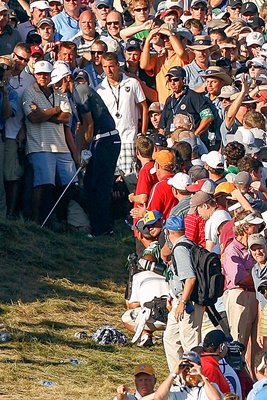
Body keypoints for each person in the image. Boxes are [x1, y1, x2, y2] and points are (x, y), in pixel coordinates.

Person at [22, 60, 76, 226]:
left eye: (45, 74)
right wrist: (55, 110)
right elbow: (33, 117)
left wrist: (43, 113)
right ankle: (38, 222)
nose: (42, 77)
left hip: (61, 145)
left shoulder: (60, 93)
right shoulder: (29, 92)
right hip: (40, 145)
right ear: (34, 75)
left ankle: (60, 219)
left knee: (70, 183)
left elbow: (67, 117)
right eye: (39, 74)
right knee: (44, 184)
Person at [73, 64, 121, 237]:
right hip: (103, 140)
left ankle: (103, 228)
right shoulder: (76, 93)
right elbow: (81, 126)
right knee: (92, 184)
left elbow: (89, 124)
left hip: (105, 140)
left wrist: (84, 151)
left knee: (99, 186)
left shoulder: (80, 90)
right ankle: (99, 225)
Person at [223, 210, 264, 375]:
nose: (257, 227)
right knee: (238, 341)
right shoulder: (232, 250)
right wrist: (260, 279)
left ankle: (254, 378)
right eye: (253, 225)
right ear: (245, 227)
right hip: (240, 296)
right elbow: (240, 278)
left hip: (256, 296)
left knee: (258, 343)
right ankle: (238, 378)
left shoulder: (256, 247)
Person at [163, 215, 205, 372]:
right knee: (171, 339)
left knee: (190, 345)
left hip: (188, 303)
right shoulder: (188, 244)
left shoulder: (180, 249)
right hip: (179, 300)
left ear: (168, 232)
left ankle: (195, 379)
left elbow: (190, 279)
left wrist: (183, 302)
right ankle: (178, 377)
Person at [97, 52, 148, 175]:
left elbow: (144, 108)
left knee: (129, 177)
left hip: (129, 138)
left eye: (111, 66)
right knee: (112, 178)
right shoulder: (99, 89)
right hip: (109, 139)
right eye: (105, 67)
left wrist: (143, 133)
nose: (108, 70)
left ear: (117, 65)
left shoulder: (132, 83)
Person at [158, 66, 214, 140]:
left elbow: (208, 117)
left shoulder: (193, 96)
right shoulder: (169, 100)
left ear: (183, 80)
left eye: (175, 80)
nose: (172, 83)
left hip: (188, 141)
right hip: (171, 140)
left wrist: (195, 135)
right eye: (169, 80)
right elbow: (162, 126)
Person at [154, 351, 222, 400]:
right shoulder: (175, 390)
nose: (187, 370)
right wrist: (173, 373)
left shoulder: (209, 387)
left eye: (191, 367)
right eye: (184, 367)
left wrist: (202, 376)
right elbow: (158, 397)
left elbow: (216, 399)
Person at [201, 330, 231, 394]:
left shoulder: (208, 362)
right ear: (221, 347)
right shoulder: (209, 368)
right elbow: (212, 395)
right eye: (226, 344)